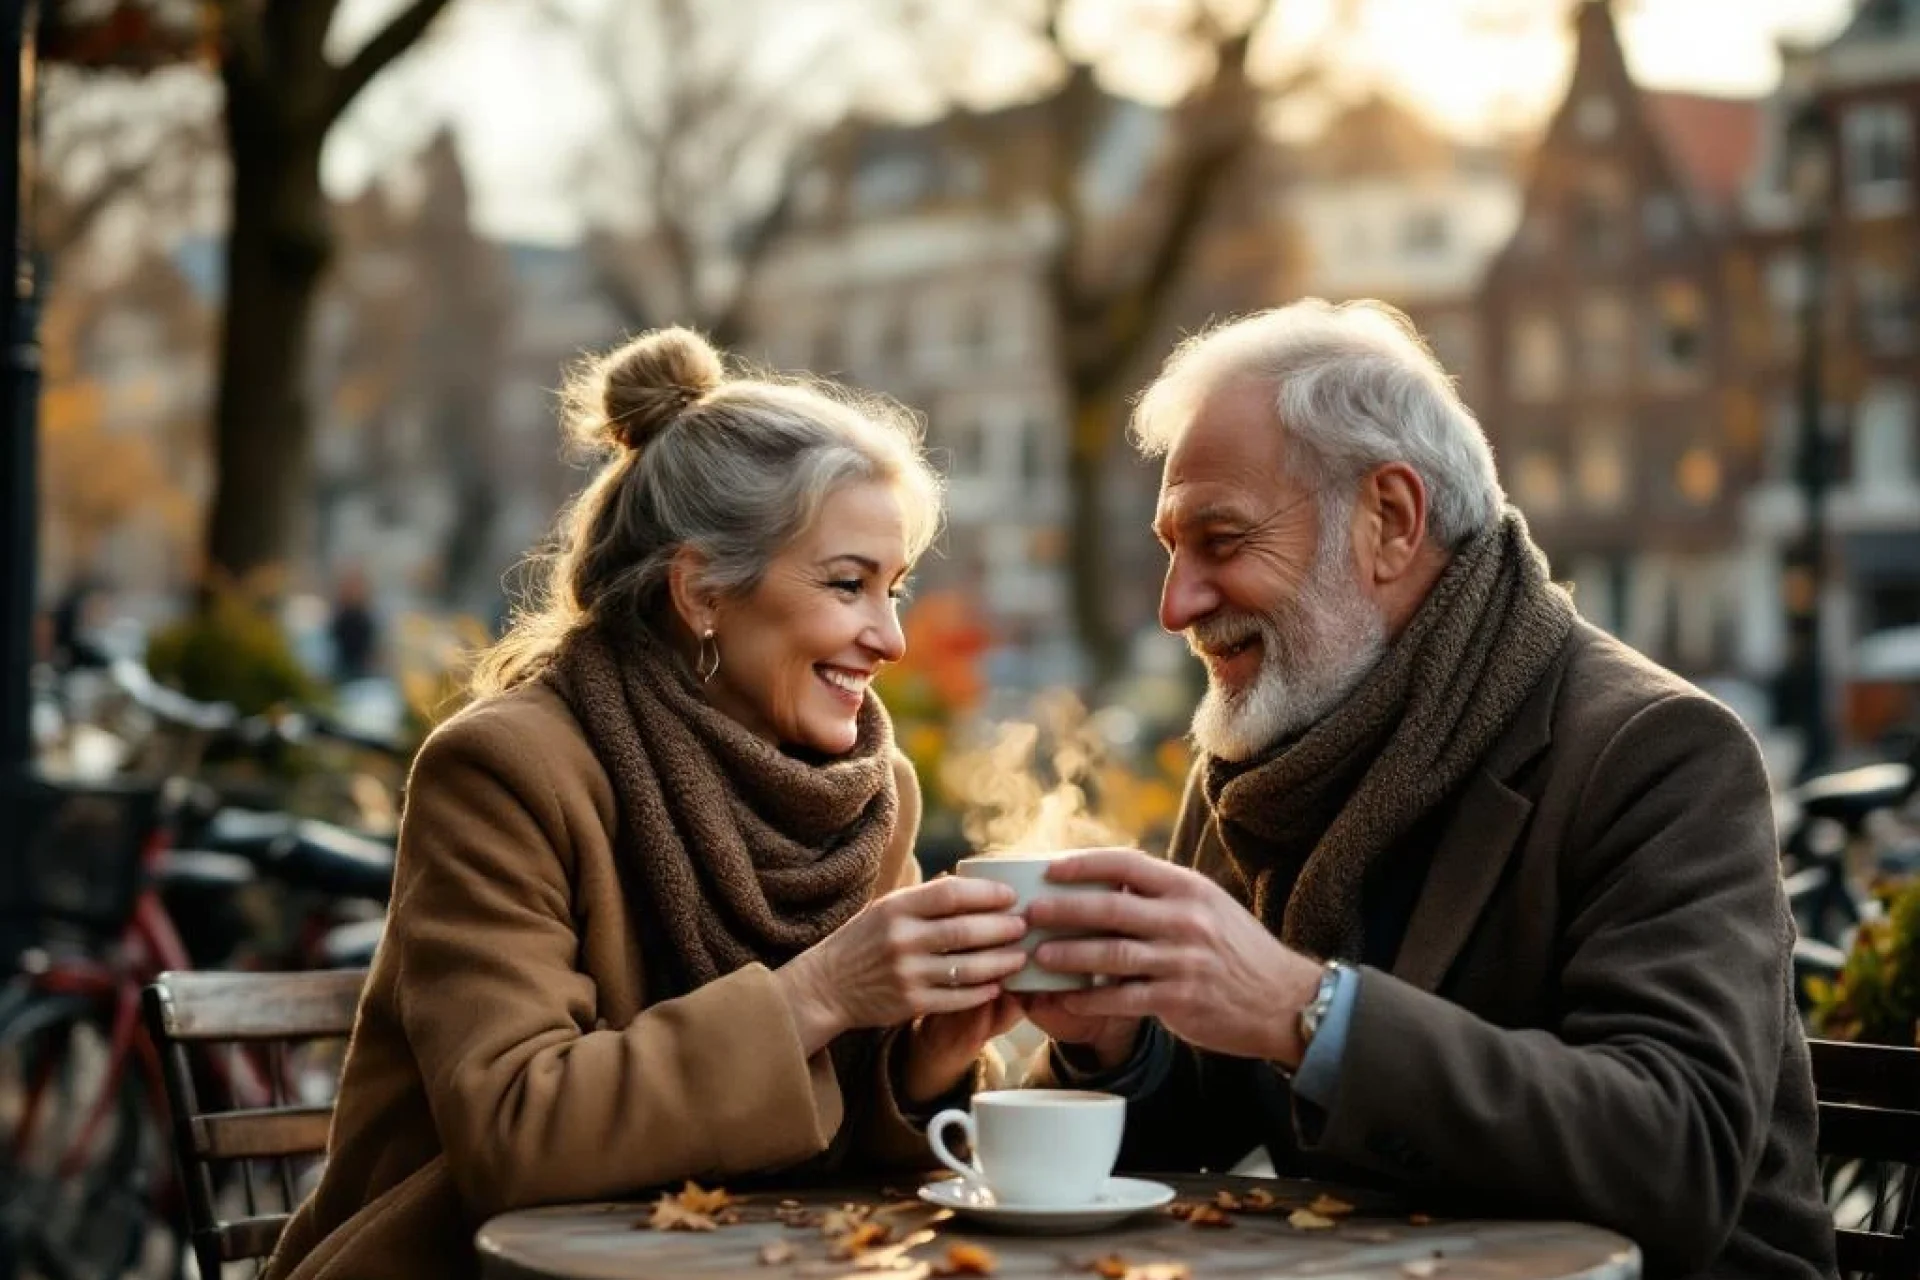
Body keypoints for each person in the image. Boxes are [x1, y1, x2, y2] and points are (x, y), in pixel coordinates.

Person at [1019, 300, 1836, 1280]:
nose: (1175, 604)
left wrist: (1307, 1011)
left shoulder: (1659, 750)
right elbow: (1192, 1130)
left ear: (1392, 521)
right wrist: (1112, 1048)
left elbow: (1678, 1153)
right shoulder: (1261, 760)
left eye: (1222, 541)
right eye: (1170, 551)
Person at [264, 328, 1030, 1280]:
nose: (892, 639)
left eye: (895, 589)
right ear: (702, 592)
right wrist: (822, 993)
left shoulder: (870, 798)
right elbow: (516, 1133)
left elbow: (846, 1149)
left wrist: (924, 1060)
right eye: (849, 586)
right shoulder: (506, 770)